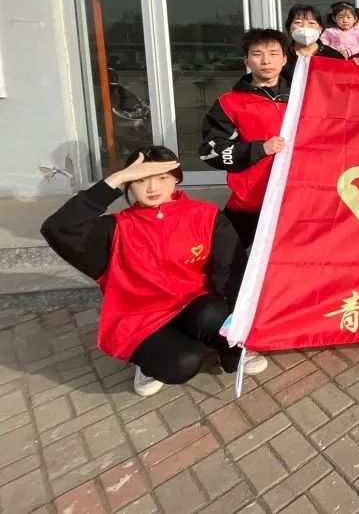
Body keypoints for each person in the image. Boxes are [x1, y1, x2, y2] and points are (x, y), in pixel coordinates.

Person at [40, 147, 266, 397]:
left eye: (162, 177)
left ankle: (225, 347)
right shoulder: (115, 229)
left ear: (176, 179)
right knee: (183, 363)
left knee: (214, 313)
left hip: (194, 305)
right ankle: (150, 359)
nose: (152, 188)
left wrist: (234, 337)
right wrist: (114, 179)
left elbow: (231, 271)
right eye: (140, 180)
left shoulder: (205, 216)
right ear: (128, 185)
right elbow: (58, 228)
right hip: (141, 318)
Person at [199, 28, 291, 250]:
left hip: (297, 200)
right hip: (249, 202)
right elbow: (210, 151)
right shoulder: (229, 103)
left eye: (273, 53)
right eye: (257, 54)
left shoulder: (303, 96)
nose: (266, 60)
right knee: (227, 259)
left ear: (284, 59)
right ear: (247, 60)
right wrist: (258, 149)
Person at [283, 3, 344, 78]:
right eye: (298, 22)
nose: (305, 26)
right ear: (289, 28)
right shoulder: (282, 55)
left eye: (311, 23)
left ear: (320, 29)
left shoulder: (333, 56)